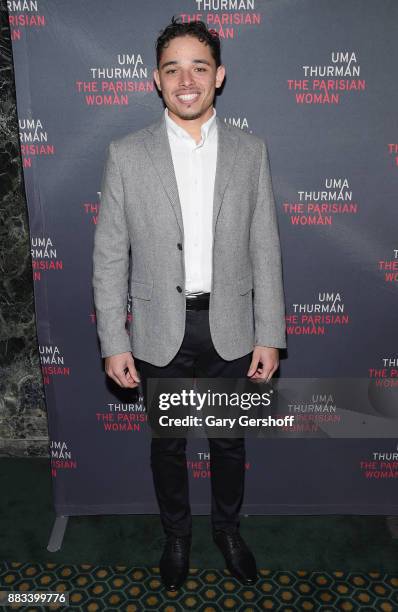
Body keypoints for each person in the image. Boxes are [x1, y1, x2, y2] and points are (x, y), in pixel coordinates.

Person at [92, 18, 287, 591]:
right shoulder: (126, 154)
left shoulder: (251, 152)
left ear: (218, 76)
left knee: (228, 444)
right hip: (157, 332)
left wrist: (269, 333)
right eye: (173, 68)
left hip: (229, 328)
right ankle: (176, 536)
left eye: (199, 67)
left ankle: (227, 530)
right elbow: (109, 257)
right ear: (157, 80)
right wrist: (114, 340)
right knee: (168, 448)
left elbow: (265, 247)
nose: (186, 79)